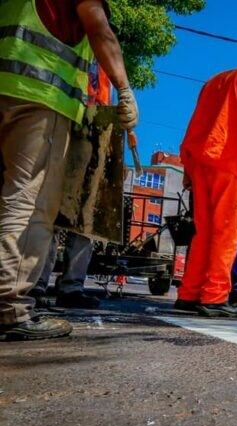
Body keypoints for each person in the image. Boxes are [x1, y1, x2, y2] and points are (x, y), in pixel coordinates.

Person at [0, 0, 138, 341]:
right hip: (37, 94)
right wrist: (124, 88)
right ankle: (10, 308)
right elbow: (99, 29)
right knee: (29, 203)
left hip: (8, 87)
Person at [174, 57, 237, 318]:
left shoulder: (213, 82)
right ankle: (214, 296)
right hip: (228, 160)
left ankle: (189, 294)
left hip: (199, 160)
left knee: (203, 232)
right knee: (227, 232)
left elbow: (195, 124)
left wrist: (188, 168)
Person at [30, 61, 113, 310]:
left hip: (96, 132)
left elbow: (105, 100)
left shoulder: (107, 67)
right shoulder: (77, 50)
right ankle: (36, 283)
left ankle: (71, 286)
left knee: (85, 221)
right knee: (51, 211)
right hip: (66, 124)